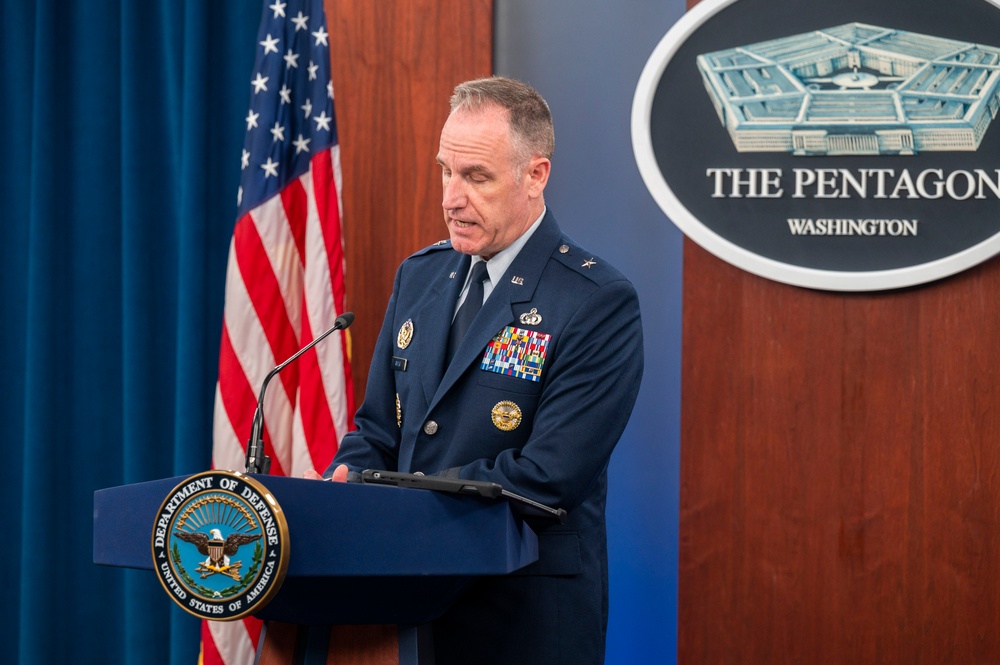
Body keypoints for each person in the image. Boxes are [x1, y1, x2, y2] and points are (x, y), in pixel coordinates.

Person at [307, 76, 643, 664]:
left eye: (476, 177)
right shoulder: (421, 275)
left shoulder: (595, 299)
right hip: (401, 613)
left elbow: (547, 478)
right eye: (445, 171)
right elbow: (379, 431)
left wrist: (390, 498)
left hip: (519, 620)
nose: (451, 198)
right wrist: (344, 480)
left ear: (535, 176)